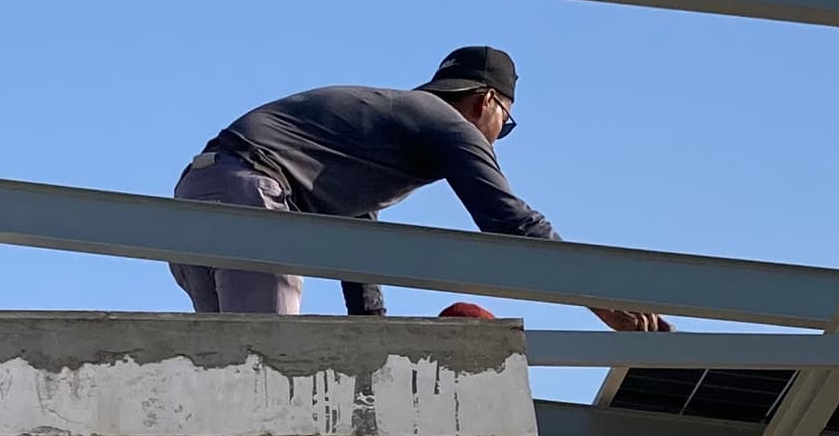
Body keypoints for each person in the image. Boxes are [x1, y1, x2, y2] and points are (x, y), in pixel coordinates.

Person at [170, 46, 667, 329]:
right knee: (265, 364)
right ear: (486, 101)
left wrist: (373, 331)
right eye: (505, 124)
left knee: (232, 362)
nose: (497, 137)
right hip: (253, 193)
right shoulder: (446, 124)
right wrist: (601, 298)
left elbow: (355, 235)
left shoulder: (383, 125)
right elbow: (510, 222)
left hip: (197, 192)